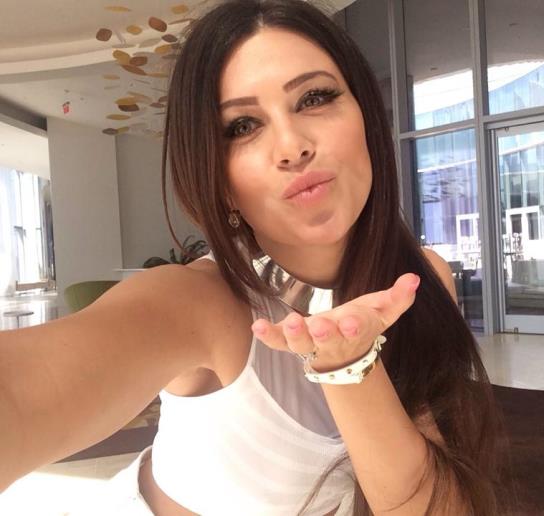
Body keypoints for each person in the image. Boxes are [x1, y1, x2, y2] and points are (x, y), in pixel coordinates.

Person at [0, 0, 503, 514]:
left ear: (367, 119)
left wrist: (348, 360)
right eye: (242, 126)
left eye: (314, 97)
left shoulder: (419, 279)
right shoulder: (200, 302)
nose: (292, 146)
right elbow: (16, 395)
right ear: (219, 182)